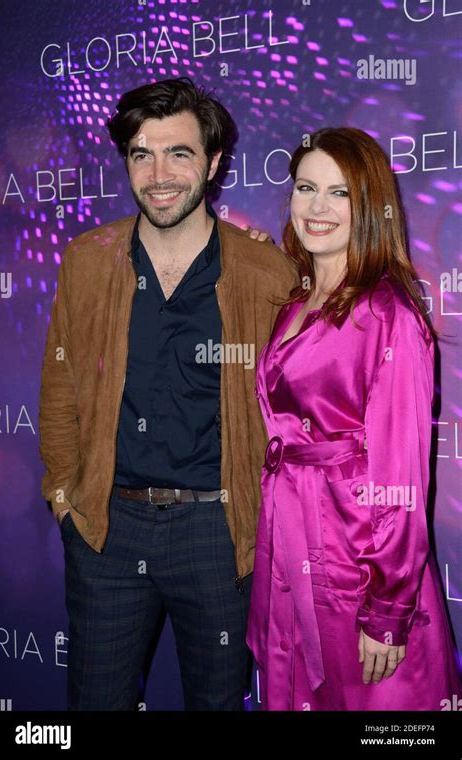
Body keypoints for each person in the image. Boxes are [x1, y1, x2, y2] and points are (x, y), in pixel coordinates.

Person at [38, 77, 299, 710]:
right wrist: (65, 501)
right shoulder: (87, 260)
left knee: (217, 702)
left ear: (212, 163)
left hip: (219, 532)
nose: (158, 174)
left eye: (178, 153)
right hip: (108, 527)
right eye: (140, 153)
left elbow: (292, 413)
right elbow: (61, 386)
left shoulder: (266, 273)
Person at [245, 127, 461, 710]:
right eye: (306, 187)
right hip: (291, 541)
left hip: (356, 561)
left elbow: (403, 477)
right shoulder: (295, 298)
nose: (317, 207)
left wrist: (389, 608)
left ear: (369, 205)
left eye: (338, 193)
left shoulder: (388, 313)